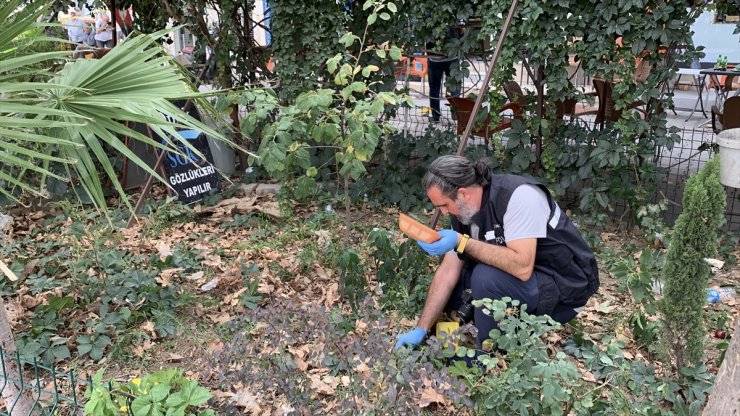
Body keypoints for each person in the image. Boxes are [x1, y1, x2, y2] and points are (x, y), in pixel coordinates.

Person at [394, 155, 599, 351]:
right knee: (460, 276)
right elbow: (448, 271)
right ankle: (445, 343)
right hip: (527, 284)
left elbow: (522, 267)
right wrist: (421, 327)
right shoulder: (463, 211)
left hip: (564, 288)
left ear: (463, 193)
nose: (445, 212)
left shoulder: (518, 196)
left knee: (485, 277)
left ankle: (487, 354)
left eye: (444, 206)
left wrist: (461, 242)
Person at [426, 27, 462, 122]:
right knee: (455, 86)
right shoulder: (453, 14)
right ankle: (456, 114)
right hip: (451, 56)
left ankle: (435, 116)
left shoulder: (428, 14)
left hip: (434, 57)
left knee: (434, 88)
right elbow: (461, 28)